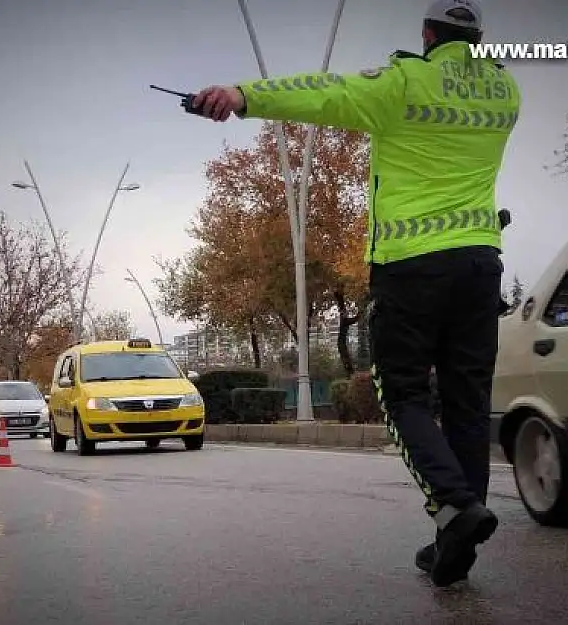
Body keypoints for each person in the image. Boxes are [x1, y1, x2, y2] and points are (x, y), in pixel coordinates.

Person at [191, 0, 520, 587]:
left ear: (427, 34)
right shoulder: (504, 93)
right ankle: (456, 542)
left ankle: (455, 504)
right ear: (478, 36)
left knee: (402, 398)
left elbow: (323, 91)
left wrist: (241, 96)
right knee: (470, 403)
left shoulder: (402, 81)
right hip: (480, 264)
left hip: (411, 266)